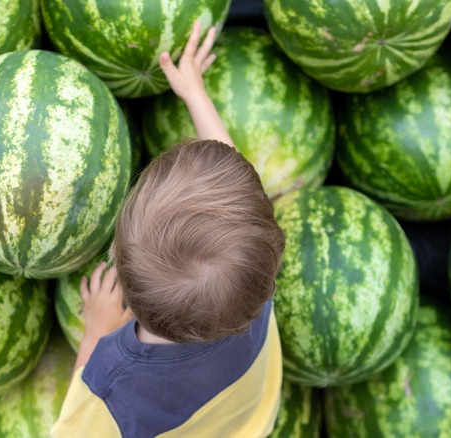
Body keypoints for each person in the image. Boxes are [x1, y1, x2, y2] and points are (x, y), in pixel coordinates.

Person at [52, 21, 285, 438]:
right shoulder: (250, 278)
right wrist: (194, 92)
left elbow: (72, 428)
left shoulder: (112, 385)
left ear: (122, 283)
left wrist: (96, 330)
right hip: (253, 418)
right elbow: (240, 196)